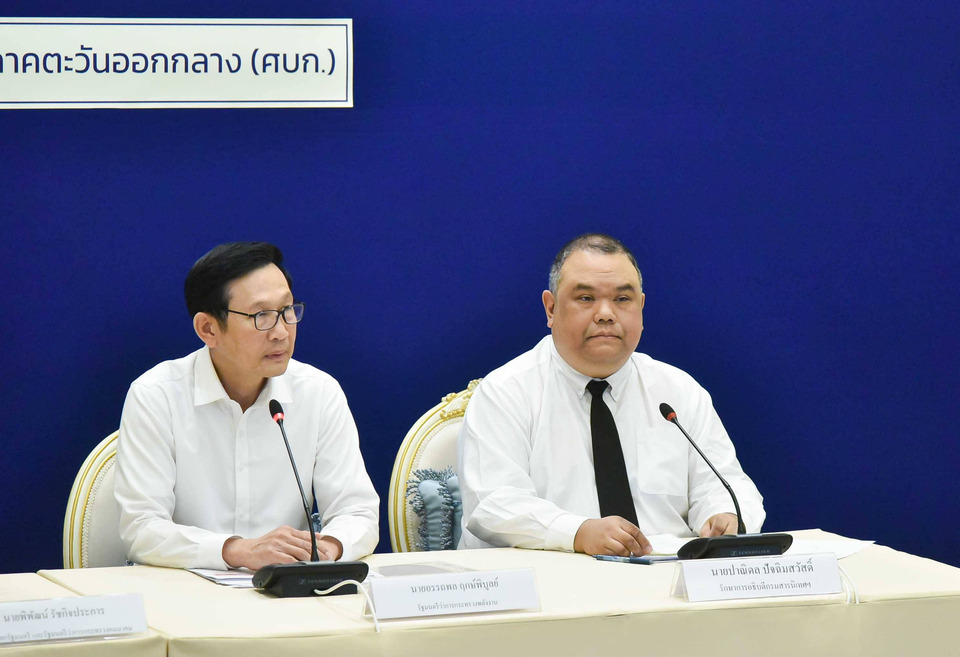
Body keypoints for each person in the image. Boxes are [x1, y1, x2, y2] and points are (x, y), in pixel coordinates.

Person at [458, 234, 764, 556]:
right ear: (551, 308)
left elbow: (726, 484)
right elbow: (492, 504)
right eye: (586, 298)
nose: (606, 313)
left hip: (668, 574)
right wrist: (577, 532)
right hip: (554, 576)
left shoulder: (678, 392)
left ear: (641, 308)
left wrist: (724, 514)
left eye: (622, 299)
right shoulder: (505, 393)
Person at [115, 242, 379, 570]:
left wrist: (325, 549)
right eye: (261, 316)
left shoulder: (318, 392)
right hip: (185, 590)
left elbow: (358, 511)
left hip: (288, 590)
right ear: (208, 329)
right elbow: (141, 529)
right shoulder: (156, 396)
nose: (281, 332)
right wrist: (239, 551)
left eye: (287, 310)